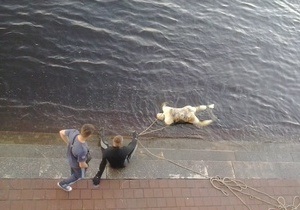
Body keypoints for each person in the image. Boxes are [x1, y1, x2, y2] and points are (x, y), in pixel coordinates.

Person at [57, 124, 95, 192]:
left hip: (70, 157)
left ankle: (72, 174)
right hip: (76, 163)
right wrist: (87, 166)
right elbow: (81, 164)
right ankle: (62, 184)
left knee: (73, 169)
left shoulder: (74, 132)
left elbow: (61, 132)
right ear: (89, 135)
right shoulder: (82, 150)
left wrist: (68, 143)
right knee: (78, 176)